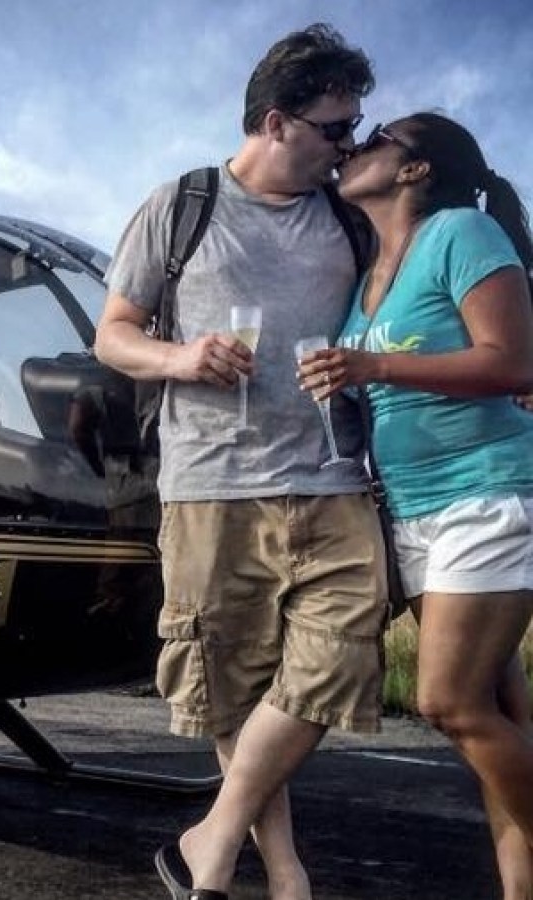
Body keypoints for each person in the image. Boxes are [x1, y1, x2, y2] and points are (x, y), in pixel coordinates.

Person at [95, 23, 387, 900]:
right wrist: (181, 358)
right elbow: (114, 336)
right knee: (234, 684)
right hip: (212, 484)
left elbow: (398, 318)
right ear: (275, 122)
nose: (350, 145)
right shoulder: (179, 205)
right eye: (336, 127)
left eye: (355, 126)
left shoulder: (350, 222)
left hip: (332, 477)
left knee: (340, 658)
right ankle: (281, 870)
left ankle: (209, 834)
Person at [298, 111, 533, 900]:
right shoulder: (366, 281)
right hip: (415, 514)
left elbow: (512, 362)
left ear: (413, 170)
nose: (352, 148)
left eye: (374, 140)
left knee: (448, 701)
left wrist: (376, 368)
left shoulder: (461, 232)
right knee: (498, 717)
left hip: (488, 493)